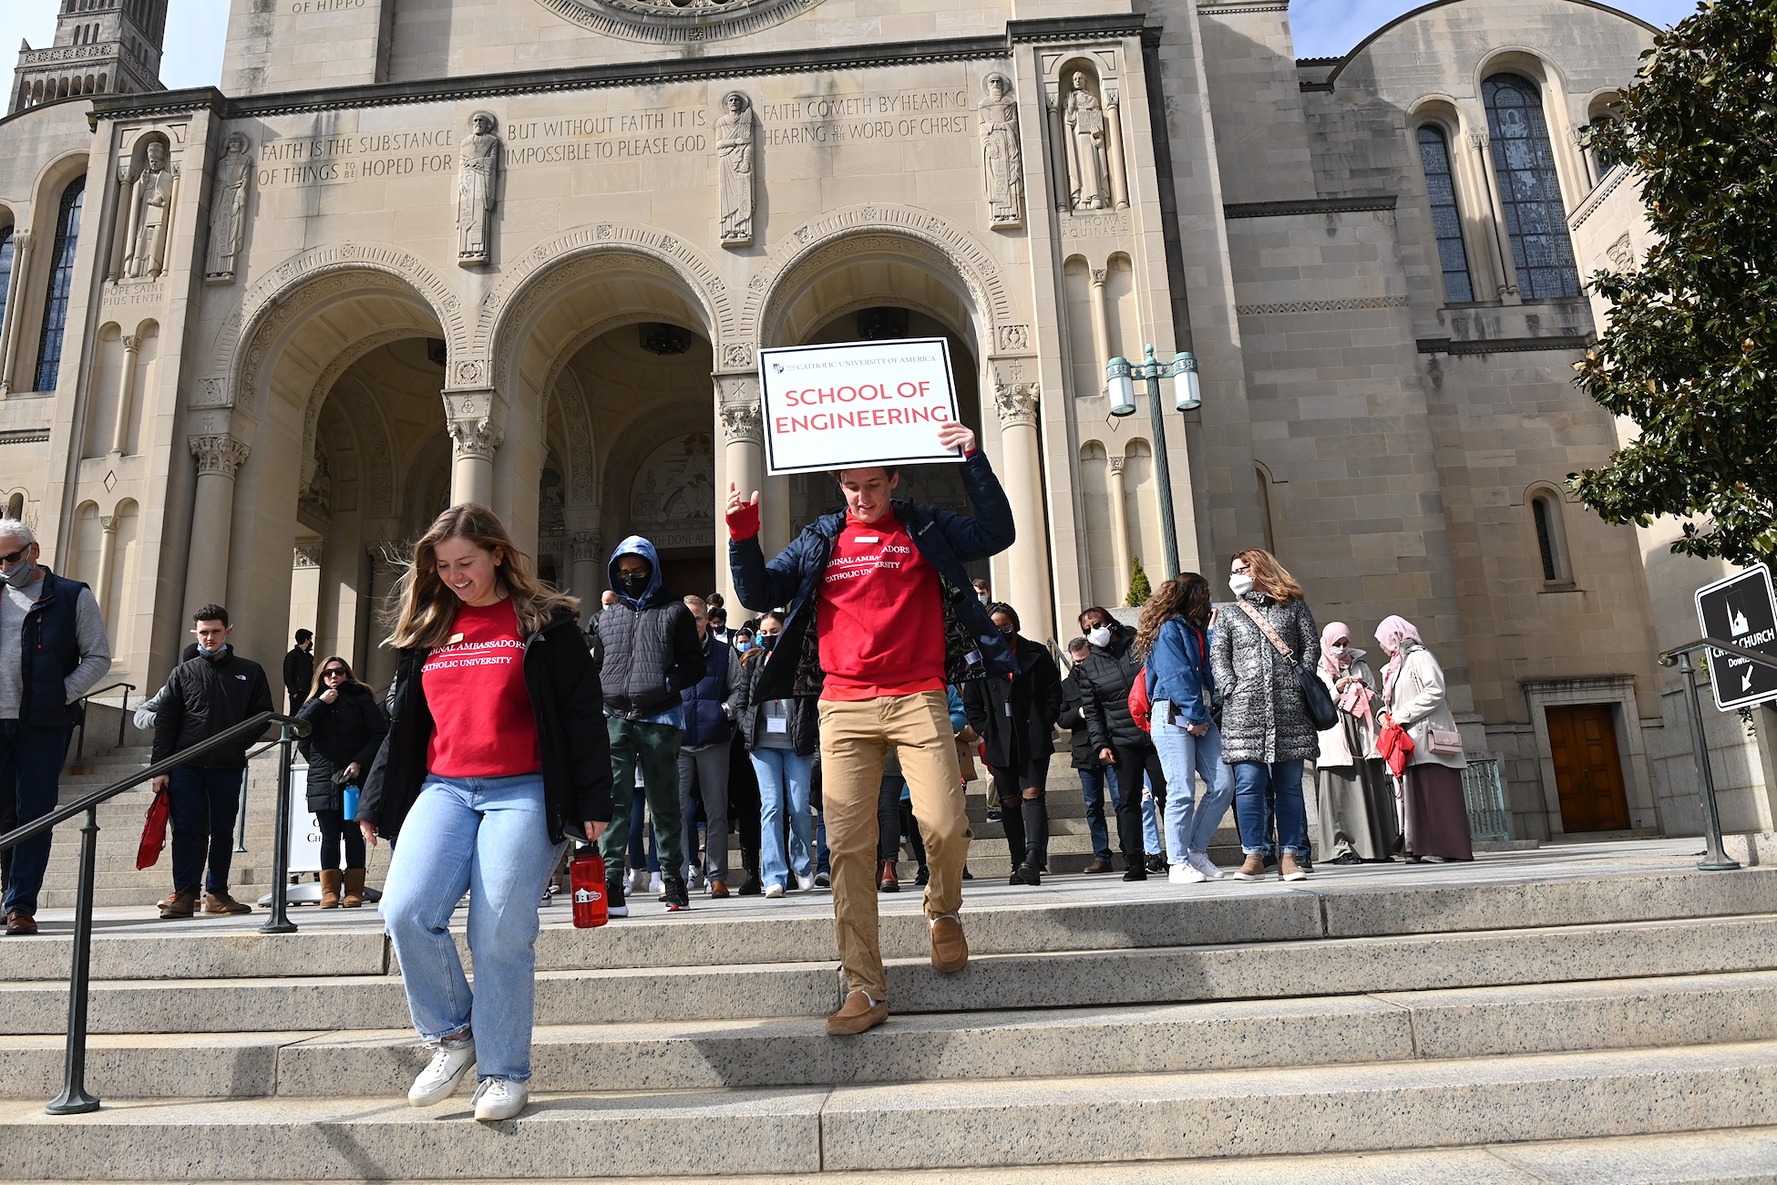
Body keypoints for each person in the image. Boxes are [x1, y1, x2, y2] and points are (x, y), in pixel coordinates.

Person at [727, 419, 1015, 1035]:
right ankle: (864, 984)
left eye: (873, 487)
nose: (863, 498)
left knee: (943, 822)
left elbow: (998, 532)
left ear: (893, 481)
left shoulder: (924, 526)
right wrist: (742, 537)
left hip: (918, 695)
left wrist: (973, 458)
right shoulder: (820, 539)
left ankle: (943, 909)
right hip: (844, 705)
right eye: (852, 487)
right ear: (840, 485)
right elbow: (757, 591)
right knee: (848, 849)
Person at [359, 503, 610, 1124]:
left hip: (523, 789)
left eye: (465, 562)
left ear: (498, 554)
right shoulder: (428, 629)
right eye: (442, 566)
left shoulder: (545, 625)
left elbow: (582, 716)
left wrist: (593, 801)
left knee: (498, 927)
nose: (454, 576)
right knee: (405, 909)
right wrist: (376, 794)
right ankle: (452, 1036)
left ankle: (503, 1071)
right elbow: (406, 724)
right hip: (444, 788)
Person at [0, 520, 111, 937]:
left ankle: (20, 905)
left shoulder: (71, 594)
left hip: (42, 723)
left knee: (33, 812)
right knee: (4, 813)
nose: (5, 566)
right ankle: (8, 894)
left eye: (11, 557)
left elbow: (97, 657)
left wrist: (59, 694)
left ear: (34, 550)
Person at [590, 537, 705, 914]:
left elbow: (694, 664)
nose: (631, 579)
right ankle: (612, 882)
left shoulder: (675, 612)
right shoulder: (608, 617)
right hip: (615, 718)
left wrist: (667, 683)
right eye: (623, 574)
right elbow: (600, 664)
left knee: (664, 803)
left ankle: (673, 879)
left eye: (638, 572)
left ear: (652, 569)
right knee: (615, 802)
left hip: (660, 717)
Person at [151, 604, 273, 918]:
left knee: (222, 830)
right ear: (196, 633)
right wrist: (160, 769)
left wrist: (237, 744)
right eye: (203, 632)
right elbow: (166, 723)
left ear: (227, 632)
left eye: (215, 631)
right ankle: (185, 893)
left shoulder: (250, 671)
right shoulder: (182, 673)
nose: (209, 638)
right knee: (187, 830)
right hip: (186, 765)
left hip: (227, 766)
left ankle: (217, 893)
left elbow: (263, 716)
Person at [1211, 549, 1321, 883]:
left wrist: (1297, 680)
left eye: (1242, 568)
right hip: (1243, 711)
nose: (1236, 575)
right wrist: (1232, 687)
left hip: (1289, 708)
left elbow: (1310, 645)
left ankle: (1290, 854)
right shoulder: (1229, 614)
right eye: (1233, 571)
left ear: (1260, 569)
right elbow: (1218, 655)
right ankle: (1254, 854)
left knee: (1289, 785)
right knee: (1249, 784)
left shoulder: (1292, 606)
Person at [1136, 575, 1235, 884]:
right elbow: (1176, 675)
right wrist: (1196, 714)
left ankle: (1193, 851)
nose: (1209, 601)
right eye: (1204, 595)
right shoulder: (1168, 630)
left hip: (1197, 712)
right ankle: (1177, 861)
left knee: (1222, 783)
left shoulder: (1194, 630)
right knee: (1180, 790)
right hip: (1173, 713)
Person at [964, 601, 1062, 886]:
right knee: (1009, 801)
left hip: (1032, 735)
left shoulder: (1036, 653)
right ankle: (1017, 860)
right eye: (995, 626)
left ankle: (1033, 859)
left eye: (1005, 625)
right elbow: (973, 702)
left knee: (1033, 794)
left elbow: (1052, 692)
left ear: (1014, 624)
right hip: (1000, 739)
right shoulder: (979, 659)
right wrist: (985, 728)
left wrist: (1044, 720)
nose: (1001, 631)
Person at [1074, 605, 1166, 880]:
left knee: (1167, 794)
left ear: (1111, 623)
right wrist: (1100, 744)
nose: (1093, 632)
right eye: (1087, 630)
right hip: (1122, 740)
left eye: (1097, 625)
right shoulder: (1090, 665)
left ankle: (1177, 855)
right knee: (1127, 801)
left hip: (1156, 733)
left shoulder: (1140, 646)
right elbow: (1093, 712)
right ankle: (1135, 860)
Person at [733, 611, 818, 898]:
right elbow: (742, 702)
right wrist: (747, 728)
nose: (769, 637)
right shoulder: (753, 664)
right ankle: (773, 875)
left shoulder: (803, 662)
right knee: (771, 807)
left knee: (799, 808)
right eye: (765, 632)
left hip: (797, 743)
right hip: (764, 744)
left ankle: (803, 864)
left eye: (775, 631)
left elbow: (812, 701)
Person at [1375, 615, 1473, 862]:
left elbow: (1435, 690)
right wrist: (1384, 715)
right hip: (1409, 742)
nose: (1381, 646)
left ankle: (1443, 847)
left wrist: (1401, 715)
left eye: (1383, 640)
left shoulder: (1419, 657)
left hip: (1427, 738)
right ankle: (1416, 847)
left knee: (1436, 793)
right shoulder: (1393, 666)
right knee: (1413, 794)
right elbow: (1391, 701)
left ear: (1394, 636)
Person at [296, 656, 388, 907]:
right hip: (323, 778)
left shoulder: (360, 700)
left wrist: (359, 762)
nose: (333, 677)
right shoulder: (314, 703)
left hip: (353, 778)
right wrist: (320, 704)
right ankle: (330, 892)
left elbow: (378, 735)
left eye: (338, 672)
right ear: (321, 678)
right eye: (328, 673)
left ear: (347, 674)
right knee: (328, 835)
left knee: (353, 834)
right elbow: (300, 732)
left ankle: (354, 891)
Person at [677, 595, 744, 897]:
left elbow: (739, 687)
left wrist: (723, 712)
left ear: (707, 619)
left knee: (716, 811)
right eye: (687, 617)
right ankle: (677, 876)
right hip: (678, 743)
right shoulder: (669, 652)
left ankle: (716, 875)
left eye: (698, 617)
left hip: (714, 740)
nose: (693, 623)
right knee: (675, 812)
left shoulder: (723, 652)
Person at [1315, 621, 1398, 863]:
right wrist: (1336, 689)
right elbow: (1317, 703)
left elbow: (1378, 698)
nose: (1341, 648)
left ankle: (1376, 848)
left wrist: (1362, 689)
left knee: (1370, 787)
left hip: (1362, 733)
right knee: (1339, 792)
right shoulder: (1319, 668)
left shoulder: (1360, 665)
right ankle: (1341, 849)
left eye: (1345, 643)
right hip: (1337, 734)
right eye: (1336, 644)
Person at [1058, 637, 1116, 874]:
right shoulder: (1067, 685)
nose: (1081, 665)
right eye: (1077, 662)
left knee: (1122, 801)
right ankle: (1102, 856)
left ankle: (1133, 851)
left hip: (1111, 744)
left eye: (1085, 660)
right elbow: (1061, 718)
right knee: (1093, 806)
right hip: (1084, 748)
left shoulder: (1106, 675)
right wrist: (1080, 712)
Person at [284, 629, 314, 715]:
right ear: (306, 640)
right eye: (310, 639)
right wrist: (294, 691)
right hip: (298, 692)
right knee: (295, 714)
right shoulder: (292, 656)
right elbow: (287, 675)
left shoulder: (308, 657)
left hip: (308, 691)